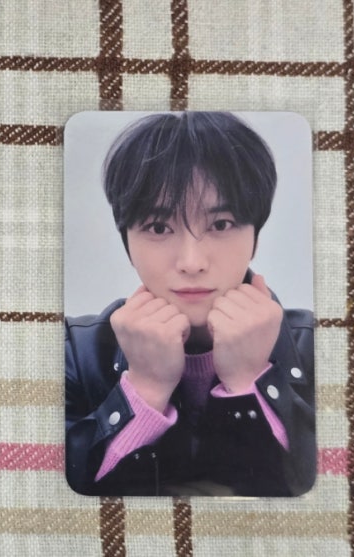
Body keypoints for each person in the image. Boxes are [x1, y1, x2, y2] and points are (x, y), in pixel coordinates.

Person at [65, 112, 315, 496]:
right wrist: (145, 390)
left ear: (256, 235)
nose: (192, 262)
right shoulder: (74, 353)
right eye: (159, 227)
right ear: (127, 241)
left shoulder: (322, 346)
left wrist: (251, 381)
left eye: (221, 224)